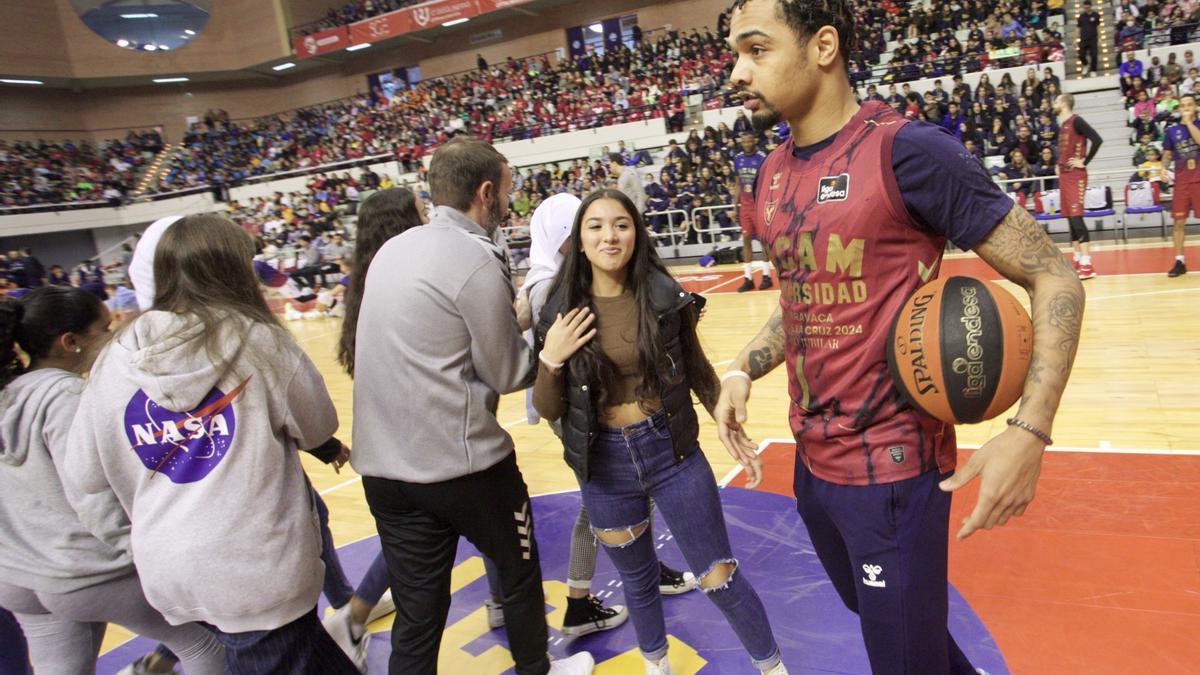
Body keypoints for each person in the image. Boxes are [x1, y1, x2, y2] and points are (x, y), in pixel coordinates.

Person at [723, 1, 1085, 672]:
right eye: (736, 55)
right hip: (812, 463)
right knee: (898, 630)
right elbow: (803, 295)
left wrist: (1029, 431)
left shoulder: (907, 152)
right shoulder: (771, 170)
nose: (738, 73)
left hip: (893, 474)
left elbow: (1055, 277)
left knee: (901, 654)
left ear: (823, 45)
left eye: (756, 49)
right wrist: (744, 366)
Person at [64, 215, 359, 672]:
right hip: (256, 571)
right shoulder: (255, 338)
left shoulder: (112, 359)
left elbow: (84, 475)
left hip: (170, 571)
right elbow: (318, 424)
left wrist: (136, 542)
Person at [350, 138, 594, 675]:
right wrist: (548, 346)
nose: (510, 206)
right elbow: (508, 371)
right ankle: (538, 668)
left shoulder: (393, 249)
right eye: (507, 194)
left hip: (384, 471)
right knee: (520, 573)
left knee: (418, 615)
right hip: (460, 467)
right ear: (486, 193)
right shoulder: (473, 257)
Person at [532, 189, 786, 675]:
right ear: (579, 240)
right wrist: (551, 356)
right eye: (597, 226)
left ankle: (773, 668)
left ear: (636, 234)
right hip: (602, 465)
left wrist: (722, 418)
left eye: (621, 225)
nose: (610, 235)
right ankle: (657, 667)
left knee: (720, 577)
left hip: (671, 453)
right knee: (638, 581)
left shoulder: (663, 295)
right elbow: (549, 407)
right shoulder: (559, 310)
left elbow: (695, 367)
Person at [0, 286, 225, 674]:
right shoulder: (65, 397)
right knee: (206, 645)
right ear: (70, 342)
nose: (114, 333)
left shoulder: (8, 394)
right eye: (104, 328)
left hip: (19, 573)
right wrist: (138, 553)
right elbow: (91, 492)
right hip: (83, 571)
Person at [1054, 93, 1104, 279]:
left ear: (1064, 104)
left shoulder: (1077, 121)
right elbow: (1065, 150)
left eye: (1057, 101)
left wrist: (1085, 161)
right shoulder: (1063, 125)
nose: (1054, 104)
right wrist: (1058, 164)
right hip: (1065, 175)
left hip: (1076, 176)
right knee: (1070, 219)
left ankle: (1087, 263)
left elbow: (1097, 139)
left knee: (1076, 218)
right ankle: (1076, 259)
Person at [1160, 93, 1199, 277]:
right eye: (1183, 106)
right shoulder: (1171, 130)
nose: (1186, 108)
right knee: (1178, 222)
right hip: (1182, 181)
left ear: (1195, 107)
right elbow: (1167, 155)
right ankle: (1179, 261)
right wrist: (1163, 169)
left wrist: (1189, 122)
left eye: (1189, 105)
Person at [733, 132, 774, 292]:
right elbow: (737, 183)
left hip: (759, 205)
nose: (747, 144)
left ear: (754, 141)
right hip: (745, 206)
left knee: (763, 241)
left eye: (749, 141)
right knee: (746, 240)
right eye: (744, 142)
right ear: (741, 143)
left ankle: (766, 276)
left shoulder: (762, 157)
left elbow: (768, 182)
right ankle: (748, 278)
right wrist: (734, 204)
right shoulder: (737, 158)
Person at [1077, 1, 1101, 76]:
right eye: (1085, 7)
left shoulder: (1096, 15)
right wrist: (1076, 38)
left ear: (1090, 6)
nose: (1086, 9)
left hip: (1093, 39)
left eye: (1087, 7)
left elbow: (1098, 26)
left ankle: (1093, 70)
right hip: (1083, 39)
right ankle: (1085, 65)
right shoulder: (1081, 16)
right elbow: (1078, 27)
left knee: (1094, 55)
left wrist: (1099, 37)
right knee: (1081, 55)